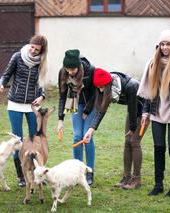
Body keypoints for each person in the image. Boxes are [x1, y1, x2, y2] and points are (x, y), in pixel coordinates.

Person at [137, 29, 170, 196]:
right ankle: (158, 185)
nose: (165, 47)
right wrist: (145, 113)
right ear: (158, 46)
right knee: (158, 148)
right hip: (157, 112)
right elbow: (149, 91)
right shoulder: (154, 63)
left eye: (168, 44)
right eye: (162, 44)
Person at [83, 68, 146, 190]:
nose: (100, 90)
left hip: (144, 112)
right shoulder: (105, 87)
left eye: (102, 87)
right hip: (132, 112)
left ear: (108, 84)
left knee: (134, 142)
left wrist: (133, 129)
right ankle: (126, 177)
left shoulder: (130, 86)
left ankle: (136, 179)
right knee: (127, 142)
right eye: (98, 88)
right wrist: (91, 130)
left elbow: (134, 108)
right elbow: (101, 110)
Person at [0, 35, 48, 187]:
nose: (33, 51)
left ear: (41, 50)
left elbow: (41, 83)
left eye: (37, 49)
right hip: (15, 103)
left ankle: (37, 174)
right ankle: (21, 177)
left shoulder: (42, 62)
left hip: (32, 105)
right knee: (18, 140)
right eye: (32, 47)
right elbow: (6, 74)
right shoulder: (18, 56)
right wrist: (1, 85)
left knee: (34, 141)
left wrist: (42, 96)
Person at [58, 49, 96, 185]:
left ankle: (90, 171)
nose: (70, 72)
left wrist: (87, 110)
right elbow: (62, 96)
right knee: (77, 136)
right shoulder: (63, 73)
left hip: (91, 105)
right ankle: (77, 171)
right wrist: (60, 119)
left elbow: (95, 94)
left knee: (87, 137)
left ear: (78, 66)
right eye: (67, 69)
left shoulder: (90, 70)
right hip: (75, 103)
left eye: (72, 69)